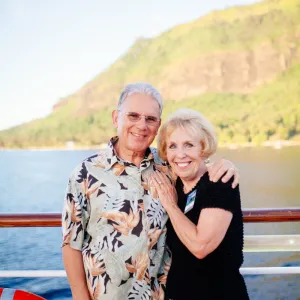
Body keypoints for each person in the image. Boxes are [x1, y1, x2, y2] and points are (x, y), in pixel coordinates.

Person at [61, 83, 240, 300]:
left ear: (158, 126)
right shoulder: (85, 173)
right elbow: (72, 243)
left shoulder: (169, 166)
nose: (142, 125)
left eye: (150, 119)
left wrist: (226, 165)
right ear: (116, 118)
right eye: (133, 116)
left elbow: (198, 167)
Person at [151, 108, 249, 300]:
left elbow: (200, 247)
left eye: (189, 145)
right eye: (172, 146)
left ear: (203, 148)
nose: (180, 154)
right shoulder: (176, 183)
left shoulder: (220, 182)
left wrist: (170, 206)